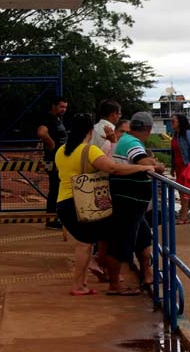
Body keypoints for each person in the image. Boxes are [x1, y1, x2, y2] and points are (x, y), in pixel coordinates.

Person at [54, 113, 154, 296]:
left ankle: (93, 275)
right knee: (86, 243)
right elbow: (113, 168)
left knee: (95, 237)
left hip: (63, 203)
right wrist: (143, 167)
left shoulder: (61, 150)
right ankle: (81, 283)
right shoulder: (89, 151)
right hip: (81, 204)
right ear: (90, 131)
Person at [107, 112, 165, 295]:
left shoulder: (125, 139)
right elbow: (143, 160)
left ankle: (148, 275)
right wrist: (157, 165)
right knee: (121, 243)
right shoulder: (132, 143)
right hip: (128, 200)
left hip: (133, 202)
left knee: (143, 238)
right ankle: (115, 284)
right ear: (147, 129)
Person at [37, 96, 68, 229]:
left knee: (58, 188)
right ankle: (51, 219)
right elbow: (41, 132)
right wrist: (51, 144)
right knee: (55, 189)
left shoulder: (58, 119)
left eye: (65, 107)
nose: (64, 110)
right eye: (61, 107)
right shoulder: (48, 119)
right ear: (54, 106)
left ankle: (56, 218)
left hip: (60, 160)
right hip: (53, 160)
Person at [169, 114, 190, 224]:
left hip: (187, 166)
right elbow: (174, 152)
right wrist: (172, 167)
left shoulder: (188, 133)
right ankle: (189, 213)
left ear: (180, 121)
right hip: (178, 166)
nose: (171, 122)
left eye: (173, 121)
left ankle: (184, 217)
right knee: (181, 192)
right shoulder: (175, 135)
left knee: (185, 193)